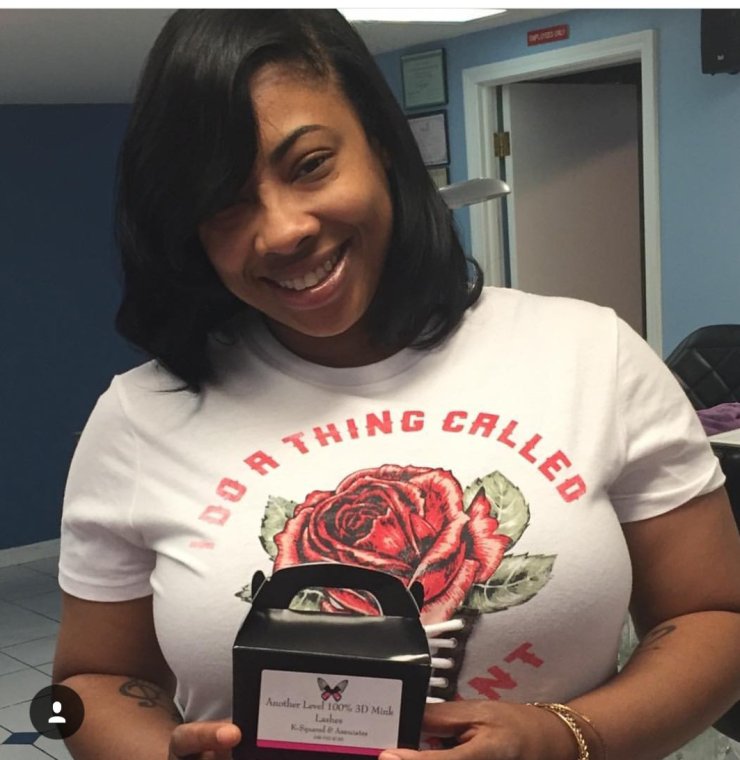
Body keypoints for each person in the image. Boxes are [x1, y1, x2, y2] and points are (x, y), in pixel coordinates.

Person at [53, 9, 740, 760]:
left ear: (381, 143)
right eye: (223, 202)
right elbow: (85, 684)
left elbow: (717, 616)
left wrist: (560, 739)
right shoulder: (138, 418)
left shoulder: (591, 353)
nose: (282, 230)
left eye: (310, 165)